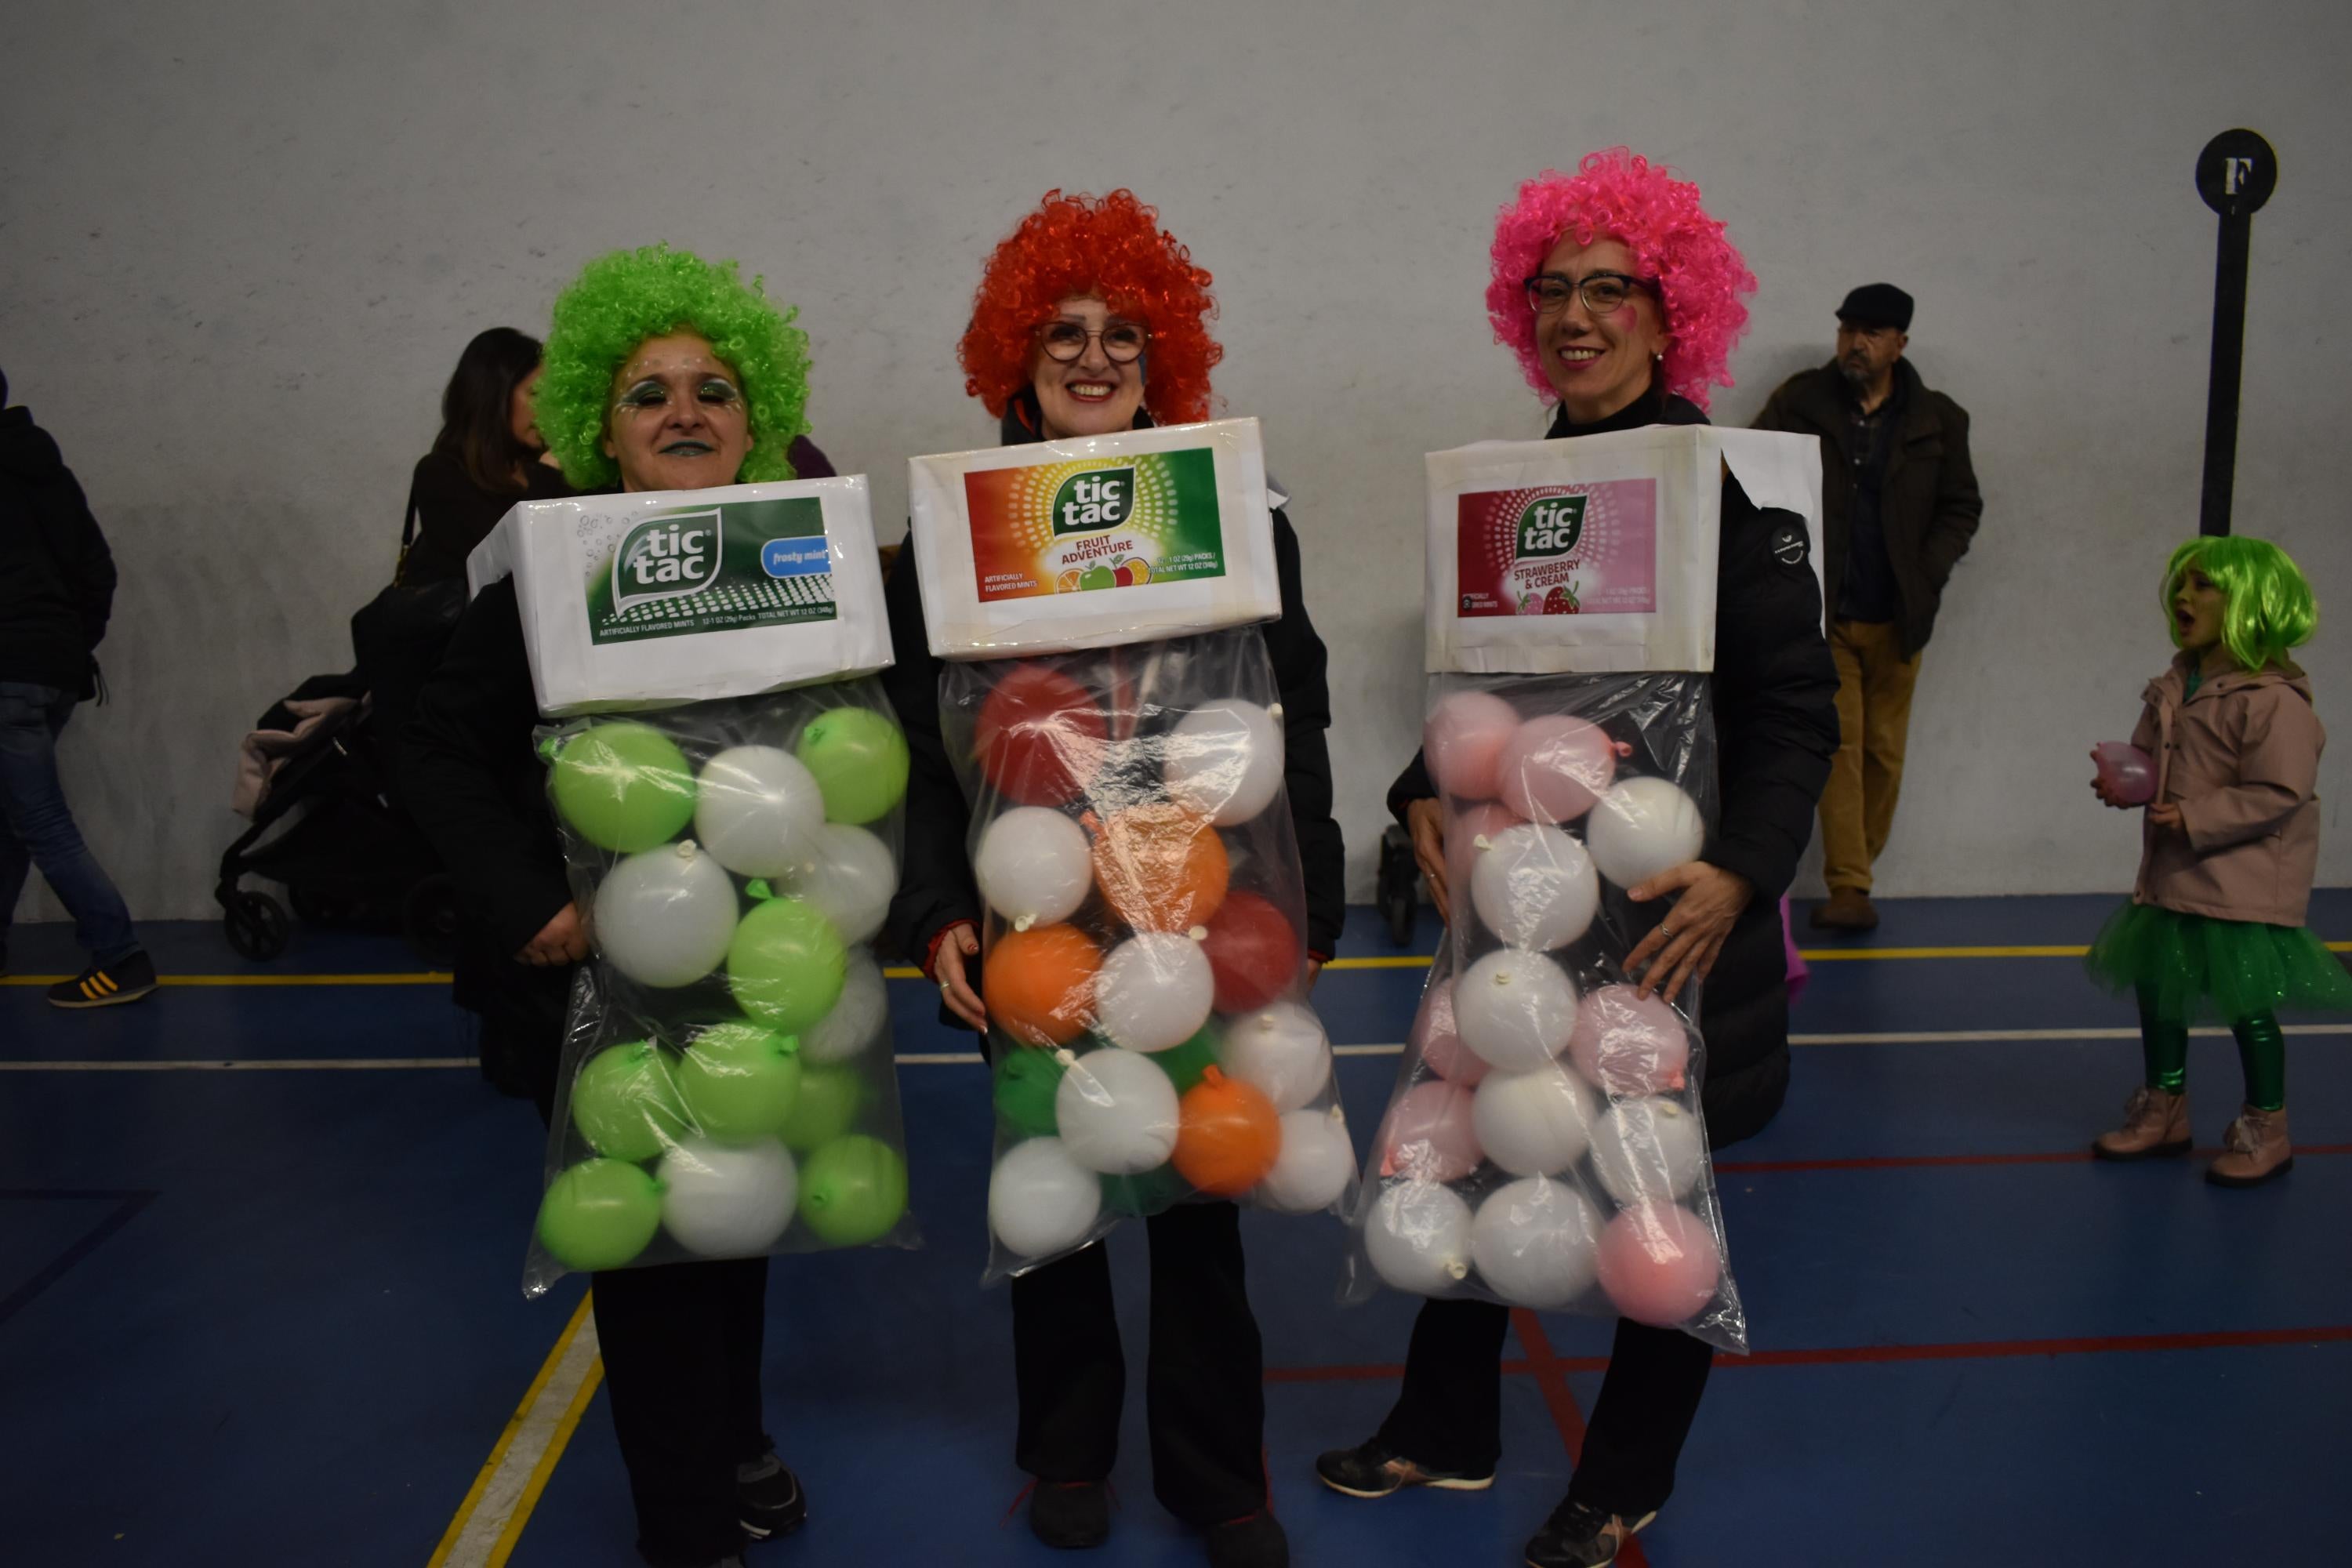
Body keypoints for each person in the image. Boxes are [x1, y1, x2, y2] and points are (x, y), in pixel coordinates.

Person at [1316, 151, 1838, 1568]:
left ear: (1676, 319)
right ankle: (1448, 1430)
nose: (1578, 316)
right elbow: (1491, 699)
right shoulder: (1513, 492)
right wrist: (1417, 786)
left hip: (1674, 924)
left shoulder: (1731, 494)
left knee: (1656, 1193)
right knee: (1484, 1139)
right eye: (1553, 290)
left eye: (1613, 290)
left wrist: (1742, 870)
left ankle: (1623, 1478)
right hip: (1517, 912)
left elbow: (1798, 715)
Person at [882, 188, 1345, 1568]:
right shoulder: (958, 532)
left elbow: (1294, 711)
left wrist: (1303, 884)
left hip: (1209, 896)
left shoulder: (1236, 504)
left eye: (1124, 337)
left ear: (1168, 359)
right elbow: (919, 746)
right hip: (1032, 901)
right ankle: (1069, 1450)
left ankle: (1217, 1477)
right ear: (1013, 357)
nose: (1094, 359)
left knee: (1205, 1191)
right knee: (1058, 1182)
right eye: (1064, 334)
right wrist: (931, 915)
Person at [404, 245, 830, 1568]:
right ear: (600, 423)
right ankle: (686, 1522)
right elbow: (428, 744)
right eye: (649, 395)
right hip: (593, 979)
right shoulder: (533, 566)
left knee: (741, 1200)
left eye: (713, 389)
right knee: (649, 1250)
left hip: (755, 962)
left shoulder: (788, 552)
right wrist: (527, 900)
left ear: (757, 416)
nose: (685, 413)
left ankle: (737, 1438)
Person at [2085, 535, 2348, 1186]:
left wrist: (2196, 818)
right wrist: (2129, 780)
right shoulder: (2176, 685)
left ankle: (2268, 1126)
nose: (2184, 596)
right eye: (2181, 584)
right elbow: (2156, 757)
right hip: (2176, 875)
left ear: (2251, 603)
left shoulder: (2273, 701)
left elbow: (2280, 791)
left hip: (2239, 881)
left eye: (2203, 586)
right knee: (2160, 991)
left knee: (2247, 1008)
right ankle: (2164, 1106)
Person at [1752, 283, 1982, 932]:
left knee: (1885, 752)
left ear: (1900, 344)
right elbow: (1752, 477)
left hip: (1901, 615)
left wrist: (1929, 571)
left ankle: (1859, 867)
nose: (1856, 342)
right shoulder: (1799, 402)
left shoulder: (1939, 419)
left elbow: (1961, 506)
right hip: (1824, 613)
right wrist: (1782, 566)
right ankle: (1849, 885)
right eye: (1849, 329)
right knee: (1843, 747)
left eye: (1873, 333)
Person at [0, 367, 154, 1008]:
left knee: (41, 824)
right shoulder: (46, 470)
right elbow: (98, 569)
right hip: (54, 670)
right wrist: (69, 644)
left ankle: (121, 957)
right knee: (10, 820)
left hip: (8, 670)